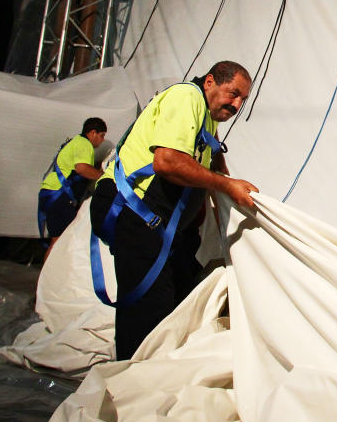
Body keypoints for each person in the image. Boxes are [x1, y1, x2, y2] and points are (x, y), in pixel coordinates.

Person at [90, 61, 258, 360]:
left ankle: (150, 366)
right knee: (150, 307)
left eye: (242, 99)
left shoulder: (207, 118)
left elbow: (211, 153)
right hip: (134, 211)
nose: (237, 104)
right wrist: (226, 186)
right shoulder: (186, 98)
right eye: (233, 94)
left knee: (180, 295)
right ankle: (132, 379)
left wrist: (222, 184)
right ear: (209, 82)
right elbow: (167, 162)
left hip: (161, 223)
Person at [38, 117, 107, 256]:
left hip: (52, 193)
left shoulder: (75, 142)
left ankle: (50, 276)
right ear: (93, 133)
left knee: (58, 240)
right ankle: (48, 277)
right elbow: (82, 168)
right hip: (60, 196)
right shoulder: (84, 144)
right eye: (102, 135)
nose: (102, 140)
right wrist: (104, 176)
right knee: (60, 242)